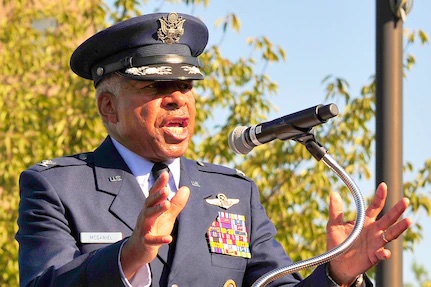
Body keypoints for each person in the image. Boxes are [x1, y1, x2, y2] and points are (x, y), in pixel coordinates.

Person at [16, 12, 411, 287]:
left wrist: (337, 275)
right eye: (156, 87)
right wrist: (130, 256)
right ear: (108, 106)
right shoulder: (58, 187)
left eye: (186, 86)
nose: (178, 100)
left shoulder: (236, 193)